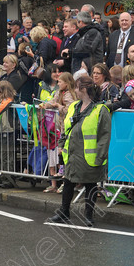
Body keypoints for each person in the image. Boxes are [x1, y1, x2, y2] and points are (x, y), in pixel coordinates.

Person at [47, 75, 111, 227]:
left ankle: (88, 215)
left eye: (76, 87)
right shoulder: (74, 106)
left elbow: (105, 136)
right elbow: (66, 128)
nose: (74, 90)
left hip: (89, 155)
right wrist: (62, 144)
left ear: (83, 89)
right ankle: (64, 212)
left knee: (90, 184)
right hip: (72, 153)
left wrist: (100, 156)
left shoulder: (101, 110)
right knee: (68, 182)